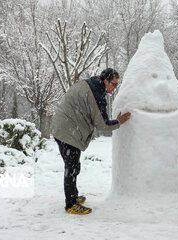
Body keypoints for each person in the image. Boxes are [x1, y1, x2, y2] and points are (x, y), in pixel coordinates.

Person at [52, 68, 131, 215]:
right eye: (113, 84)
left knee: (73, 166)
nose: (114, 88)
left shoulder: (90, 84)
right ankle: (70, 204)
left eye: (116, 85)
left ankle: (73, 197)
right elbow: (103, 124)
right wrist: (119, 122)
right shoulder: (96, 95)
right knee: (72, 167)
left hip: (63, 127)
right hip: (68, 131)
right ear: (105, 81)